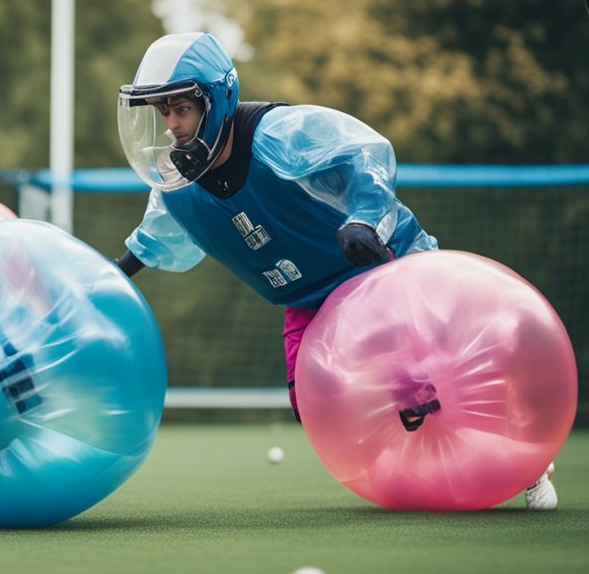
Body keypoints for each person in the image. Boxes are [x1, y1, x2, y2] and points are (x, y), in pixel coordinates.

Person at [111, 31, 557, 511]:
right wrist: (120, 272)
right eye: (164, 112)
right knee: (316, 404)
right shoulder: (179, 184)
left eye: (182, 109)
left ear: (216, 101)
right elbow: (160, 232)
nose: (173, 125)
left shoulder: (277, 132)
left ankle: (524, 464)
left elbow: (363, 153)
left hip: (384, 270)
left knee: (433, 380)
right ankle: (423, 474)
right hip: (308, 298)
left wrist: (363, 218)